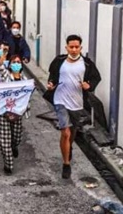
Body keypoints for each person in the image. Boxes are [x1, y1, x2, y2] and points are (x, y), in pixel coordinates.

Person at [45, 34, 101, 179]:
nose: (74, 50)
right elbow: (52, 76)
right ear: (67, 47)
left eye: (77, 47)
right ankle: (66, 164)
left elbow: (96, 78)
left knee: (73, 131)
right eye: (72, 47)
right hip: (60, 100)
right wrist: (51, 84)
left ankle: (68, 149)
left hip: (77, 103)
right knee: (65, 132)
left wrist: (89, 85)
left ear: (81, 48)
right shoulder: (59, 61)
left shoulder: (87, 64)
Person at [0, 54, 30, 175]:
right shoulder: (6, 76)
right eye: (14, 62)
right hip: (4, 112)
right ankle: (8, 165)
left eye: (18, 62)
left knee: (16, 137)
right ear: (10, 65)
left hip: (17, 114)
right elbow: (0, 66)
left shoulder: (25, 80)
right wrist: (3, 56)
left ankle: (14, 146)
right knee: (5, 141)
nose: (16, 64)